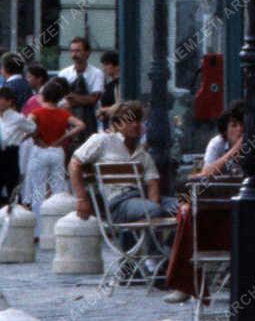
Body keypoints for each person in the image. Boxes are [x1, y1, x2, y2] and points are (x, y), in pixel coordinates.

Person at [68, 101, 178, 256]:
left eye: (139, 120)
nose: (136, 125)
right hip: (119, 203)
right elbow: (74, 163)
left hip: (143, 199)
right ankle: (153, 257)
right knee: (153, 210)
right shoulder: (102, 140)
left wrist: (153, 207)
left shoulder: (142, 153)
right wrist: (81, 199)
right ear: (117, 123)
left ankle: (167, 251)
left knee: (188, 209)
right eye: (130, 120)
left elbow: (152, 184)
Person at [23, 79, 84, 231]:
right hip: (57, 150)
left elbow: (27, 128)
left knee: (38, 190)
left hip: (39, 150)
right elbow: (81, 125)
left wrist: (34, 136)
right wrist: (63, 138)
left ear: (43, 96)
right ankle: (59, 227)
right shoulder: (63, 113)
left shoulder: (36, 113)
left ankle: (38, 230)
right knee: (58, 189)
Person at [59, 37, 104, 137]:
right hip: (68, 119)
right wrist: (84, 99)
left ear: (87, 53)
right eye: (72, 51)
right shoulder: (64, 73)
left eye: (78, 51)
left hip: (91, 120)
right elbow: (60, 99)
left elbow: (93, 99)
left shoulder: (97, 73)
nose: (74, 55)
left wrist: (71, 97)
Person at [98, 51, 120, 122]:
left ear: (117, 66)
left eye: (107, 64)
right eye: (103, 65)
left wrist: (103, 110)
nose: (104, 68)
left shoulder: (121, 84)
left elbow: (122, 105)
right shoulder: (109, 85)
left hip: (119, 124)